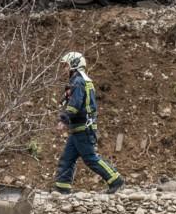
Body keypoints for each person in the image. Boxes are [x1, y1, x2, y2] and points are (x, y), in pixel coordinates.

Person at [53, 51, 125, 195]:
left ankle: (115, 179)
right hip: (78, 128)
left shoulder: (78, 82)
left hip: (83, 128)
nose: (64, 69)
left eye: (66, 65)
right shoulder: (80, 81)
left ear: (74, 65)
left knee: (90, 158)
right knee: (67, 158)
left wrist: (64, 120)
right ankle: (62, 189)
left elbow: (75, 104)